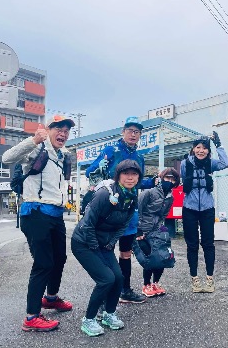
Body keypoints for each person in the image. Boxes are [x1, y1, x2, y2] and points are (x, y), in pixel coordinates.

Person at [2, 115, 75, 332]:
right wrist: (33, 140)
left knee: (59, 258)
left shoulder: (62, 156)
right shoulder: (37, 149)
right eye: (58, 129)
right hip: (35, 213)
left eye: (66, 130)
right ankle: (31, 316)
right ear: (49, 130)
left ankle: (51, 298)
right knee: (43, 263)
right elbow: (7, 157)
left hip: (55, 215)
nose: (63, 133)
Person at [85, 116, 155, 304]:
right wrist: (102, 181)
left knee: (126, 252)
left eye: (137, 131)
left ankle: (125, 290)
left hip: (130, 210)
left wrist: (154, 181)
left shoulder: (139, 156)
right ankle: (105, 290)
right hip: (110, 209)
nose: (133, 134)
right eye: (130, 130)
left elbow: (138, 182)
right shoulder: (111, 150)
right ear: (123, 131)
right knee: (104, 249)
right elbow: (90, 172)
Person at [71, 160, 141, 337]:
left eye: (134, 174)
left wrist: (111, 243)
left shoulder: (132, 196)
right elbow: (87, 224)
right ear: (118, 176)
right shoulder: (104, 194)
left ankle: (108, 314)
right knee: (106, 279)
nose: (130, 177)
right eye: (126, 173)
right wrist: (95, 246)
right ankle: (89, 319)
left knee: (118, 277)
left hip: (103, 244)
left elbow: (124, 224)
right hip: (84, 243)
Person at [181, 132, 228, 293]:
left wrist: (219, 145)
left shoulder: (211, 163)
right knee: (192, 244)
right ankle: (194, 279)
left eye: (204, 148)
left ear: (208, 151)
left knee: (208, 243)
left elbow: (225, 163)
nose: (201, 150)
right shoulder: (184, 163)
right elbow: (183, 181)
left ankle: (209, 279)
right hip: (189, 208)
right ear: (193, 149)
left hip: (208, 208)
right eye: (198, 147)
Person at [137, 168, 180, 297]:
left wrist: (161, 228)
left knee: (162, 256)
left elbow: (164, 215)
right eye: (168, 178)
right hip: (143, 230)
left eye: (173, 179)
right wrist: (139, 231)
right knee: (149, 257)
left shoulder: (170, 197)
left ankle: (155, 283)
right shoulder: (149, 193)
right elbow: (137, 211)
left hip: (157, 230)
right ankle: (146, 285)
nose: (170, 181)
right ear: (161, 178)